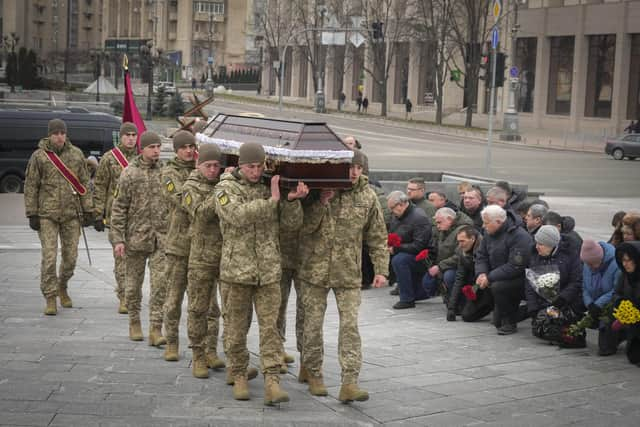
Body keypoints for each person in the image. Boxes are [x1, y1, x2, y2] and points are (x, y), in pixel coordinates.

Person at [214, 142, 307, 405]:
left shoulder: (271, 186)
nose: (256, 171)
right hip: (236, 272)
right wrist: (272, 201)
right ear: (241, 165)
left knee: (271, 329)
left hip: (267, 271)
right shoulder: (225, 188)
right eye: (251, 166)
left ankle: (272, 381)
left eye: (260, 166)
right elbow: (236, 215)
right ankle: (239, 374)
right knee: (235, 328)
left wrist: (290, 202)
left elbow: (291, 226)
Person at [299, 149, 388, 403]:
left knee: (350, 327)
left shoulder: (368, 196)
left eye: (358, 168)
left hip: (348, 272)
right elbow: (301, 227)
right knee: (312, 325)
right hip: (315, 269)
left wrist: (381, 269)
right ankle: (314, 373)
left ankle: (350, 381)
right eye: (348, 167)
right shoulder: (321, 191)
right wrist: (320, 203)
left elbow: (377, 235)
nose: (353, 172)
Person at [24, 119, 94, 315]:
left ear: (66, 134)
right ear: (49, 135)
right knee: (49, 257)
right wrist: (32, 213)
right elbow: (31, 186)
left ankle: (62, 285)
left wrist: (88, 209)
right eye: (55, 133)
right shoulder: (39, 157)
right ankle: (50, 296)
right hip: (47, 215)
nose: (59, 136)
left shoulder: (76, 154)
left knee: (71, 258)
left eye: (62, 133)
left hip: (71, 214)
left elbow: (85, 183)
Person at [110, 131, 168, 345]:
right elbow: (118, 208)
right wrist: (117, 239)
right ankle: (134, 321)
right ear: (142, 149)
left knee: (161, 284)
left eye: (159, 147)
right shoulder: (129, 173)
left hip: (160, 239)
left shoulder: (166, 172)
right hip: (135, 239)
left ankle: (155, 328)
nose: (156, 151)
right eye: (152, 147)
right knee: (133, 286)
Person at [180, 143, 225, 378]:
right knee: (199, 307)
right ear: (199, 165)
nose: (213, 170)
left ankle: (211, 350)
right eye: (208, 165)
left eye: (217, 166)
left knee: (215, 310)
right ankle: (197, 354)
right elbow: (199, 213)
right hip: (200, 257)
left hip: (224, 255)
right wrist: (221, 191)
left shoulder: (224, 184)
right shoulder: (190, 187)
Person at [93, 122, 139, 314]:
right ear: (120, 137)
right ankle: (124, 296)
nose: (130, 138)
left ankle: (132, 293)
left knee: (134, 260)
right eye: (127, 135)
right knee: (121, 258)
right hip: (117, 217)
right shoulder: (109, 159)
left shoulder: (141, 159)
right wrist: (97, 212)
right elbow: (100, 185)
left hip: (139, 218)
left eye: (133, 135)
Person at [162, 131, 197, 362]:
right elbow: (182, 199)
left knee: (203, 303)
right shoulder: (168, 173)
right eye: (184, 147)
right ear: (176, 150)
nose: (188, 150)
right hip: (177, 244)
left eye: (191, 146)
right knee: (174, 298)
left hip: (201, 246)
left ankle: (203, 348)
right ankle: (172, 342)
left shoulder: (202, 168)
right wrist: (197, 177)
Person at [475, 205, 532, 335]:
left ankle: (510, 321)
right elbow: (481, 256)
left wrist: (489, 277)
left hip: (521, 278)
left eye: (486, 223)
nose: (483, 226)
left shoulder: (519, 236)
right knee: (494, 321)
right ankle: (510, 314)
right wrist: (481, 273)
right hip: (497, 275)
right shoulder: (489, 233)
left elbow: (515, 266)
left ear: (499, 222)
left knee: (498, 286)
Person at [526, 226, 585, 346]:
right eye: (536, 243)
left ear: (551, 245)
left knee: (564, 329)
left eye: (541, 244)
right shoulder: (534, 255)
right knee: (541, 328)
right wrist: (532, 307)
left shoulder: (570, 255)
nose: (537, 246)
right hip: (543, 300)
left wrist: (562, 298)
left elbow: (576, 281)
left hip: (565, 300)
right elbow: (529, 283)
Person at [386, 191, 432, 309]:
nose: (391, 211)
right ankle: (403, 288)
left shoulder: (418, 217)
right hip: (407, 250)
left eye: (392, 208)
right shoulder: (398, 215)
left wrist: (396, 248)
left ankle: (407, 299)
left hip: (424, 256)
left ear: (401, 205)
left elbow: (419, 246)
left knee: (399, 260)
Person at [598, 242, 640, 363]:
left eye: (628, 260)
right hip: (632, 318)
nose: (625, 264)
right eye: (623, 260)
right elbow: (616, 293)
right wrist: (621, 303)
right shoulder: (625, 275)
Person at [422, 207, 473, 302]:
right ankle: (449, 297)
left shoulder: (463, 231)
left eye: (439, 222)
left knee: (449, 276)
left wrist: (440, 266)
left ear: (450, 219)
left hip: (462, 266)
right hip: (446, 264)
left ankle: (461, 302)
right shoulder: (444, 230)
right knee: (427, 281)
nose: (437, 226)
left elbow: (461, 255)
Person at [581, 240, 621, 351]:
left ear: (601, 258)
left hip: (611, 303)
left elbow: (616, 290)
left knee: (605, 346)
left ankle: (618, 336)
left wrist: (598, 304)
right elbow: (584, 286)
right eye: (588, 264)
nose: (591, 267)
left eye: (593, 264)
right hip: (594, 302)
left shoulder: (616, 264)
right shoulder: (587, 263)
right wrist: (589, 303)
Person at [447, 226, 491, 322]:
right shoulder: (462, 253)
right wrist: (451, 308)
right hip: (476, 284)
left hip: (489, 283)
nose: (460, 245)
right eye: (458, 241)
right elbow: (459, 279)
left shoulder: (485, 247)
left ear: (472, 239)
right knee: (467, 316)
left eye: (462, 241)